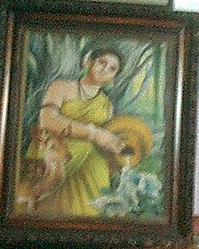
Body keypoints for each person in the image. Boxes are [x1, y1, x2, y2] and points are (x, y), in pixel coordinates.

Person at [20, 43, 128, 218]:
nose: (106, 69)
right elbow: (46, 121)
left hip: (90, 168)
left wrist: (115, 145)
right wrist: (93, 133)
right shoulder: (61, 87)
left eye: (112, 68)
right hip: (55, 158)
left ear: (114, 76)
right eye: (102, 62)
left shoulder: (107, 105)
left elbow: (105, 140)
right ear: (89, 62)